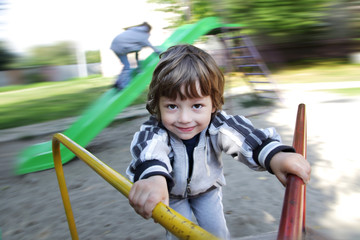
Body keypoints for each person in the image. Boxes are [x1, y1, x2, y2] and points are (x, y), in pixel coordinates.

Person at [126, 44, 311, 239]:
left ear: (213, 103)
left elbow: (245, 138)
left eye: (197, 105)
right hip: (171, 193)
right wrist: (154, 177)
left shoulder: (219, 125)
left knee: (217, 234)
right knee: (178, 234)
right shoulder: (156, 130)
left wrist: (275, 157)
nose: (184, 118)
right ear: (158, 104)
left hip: (207, 191)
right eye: (172, 106)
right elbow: (148, 149)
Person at [110, 22, 161, 90]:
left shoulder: (135, 30)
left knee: (125, 65)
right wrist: (159, 52)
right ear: (148, 30)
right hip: (121, 47)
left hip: (115, 45)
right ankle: (122, 85)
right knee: (127, 67)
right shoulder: (143, 34)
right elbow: (150, 46)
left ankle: (117, 82)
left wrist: (138, 68)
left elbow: (136, 54)